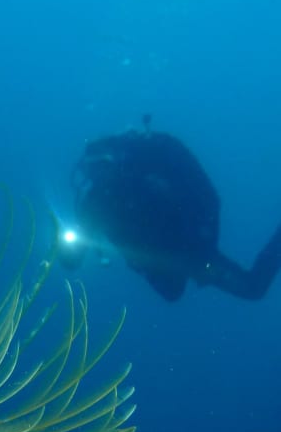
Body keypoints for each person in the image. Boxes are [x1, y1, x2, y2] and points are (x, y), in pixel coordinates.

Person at [64, 117, 281, 300]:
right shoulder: (93, 204)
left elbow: (204, 197)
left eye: (103, 166)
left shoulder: (142, 181)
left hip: (190, 252)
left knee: (252, 289)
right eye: (91, 170)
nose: (100, 176)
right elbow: (73, 259)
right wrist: (65, 246)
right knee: (172, 294)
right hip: (159, 265)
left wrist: (203, 241)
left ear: (115, 162)